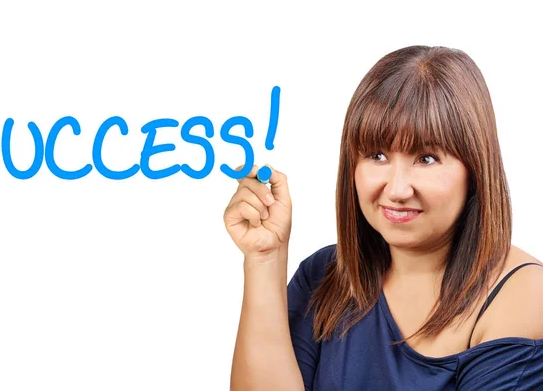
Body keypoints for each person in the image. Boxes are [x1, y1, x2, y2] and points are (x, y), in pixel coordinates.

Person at [224, 45, 543, 390]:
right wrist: (265, 258)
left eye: (427, 158)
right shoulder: (324, 276)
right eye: (377, 155)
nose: (397, 189)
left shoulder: (523, 296)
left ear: (475, 169)